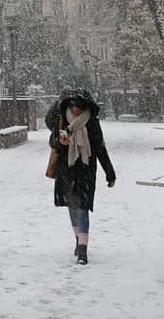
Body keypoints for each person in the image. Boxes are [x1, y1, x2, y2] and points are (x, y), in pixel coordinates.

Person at [45, 90, 116, 264]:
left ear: (85, 107)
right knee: (72, 208)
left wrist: (110, 173)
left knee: (82, 208)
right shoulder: (62, 119)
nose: (75, 110)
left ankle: (83, 250)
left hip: (85, 171)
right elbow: (53, 142)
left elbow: (100, 148)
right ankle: (78, 239)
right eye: (73, 106)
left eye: (79, 106)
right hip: (66, 171)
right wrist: (60, 141)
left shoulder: (91, 122)